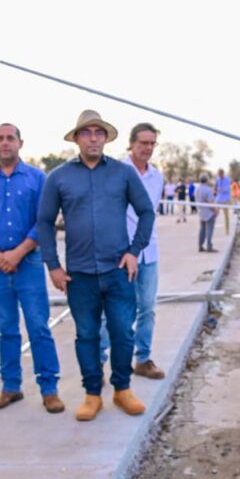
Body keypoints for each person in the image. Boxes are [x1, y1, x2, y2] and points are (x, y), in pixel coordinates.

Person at [37, 110, 155, 422]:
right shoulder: (59, 177)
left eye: (98, 132)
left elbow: (146, 212)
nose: (93, 138)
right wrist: (53, 265)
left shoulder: (122, 173)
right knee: (87, 334)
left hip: (118, 271)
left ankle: (122, 389)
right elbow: (44, 222)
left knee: (122, 333)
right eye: (86, 132)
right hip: (79, 276)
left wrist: (134, 252)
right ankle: (92, 394)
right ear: (76, 138)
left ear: (106, 137)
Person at [0, 123, 63, 413]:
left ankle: (49, 389)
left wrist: (17, 253)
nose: (5, 143)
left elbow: (44, 220)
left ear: (20, 143)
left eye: (10, 138)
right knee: (7, 329)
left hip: (28, 265)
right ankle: (10, 387)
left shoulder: (38, 179)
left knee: (39, 326)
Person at [99, 123, 167, 380]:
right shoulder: (115, 171)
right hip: (121, 254)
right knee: (115, 310)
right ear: (131, 144)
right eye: (143, 143)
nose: (147, 148)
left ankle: (143, 359)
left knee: (147, 308)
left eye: (152, 144)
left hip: (149, 252)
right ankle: (100, 360)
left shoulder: (157, 177)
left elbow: (150, 214)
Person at [196, 173, 217, 252]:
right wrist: (215, 211)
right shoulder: (207, 189)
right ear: (207, 180)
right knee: (209, 230)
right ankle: (209, 246)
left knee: (202, 230)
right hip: (209, 213)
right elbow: (210, 203)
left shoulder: (197, 189)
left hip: (201, 212)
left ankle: (200, 246)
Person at [215, 168, 232, 234]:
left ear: (223, 174)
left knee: (226, 215)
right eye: (219, 174)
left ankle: (227, 230)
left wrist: (220, 189)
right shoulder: (217, 180)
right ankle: (211, 227)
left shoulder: (227, 180)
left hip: (225, 199)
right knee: (214, 213)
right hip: (218, 198)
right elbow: (216, 188)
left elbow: (227, 189)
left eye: (220, 174)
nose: (220, 176)